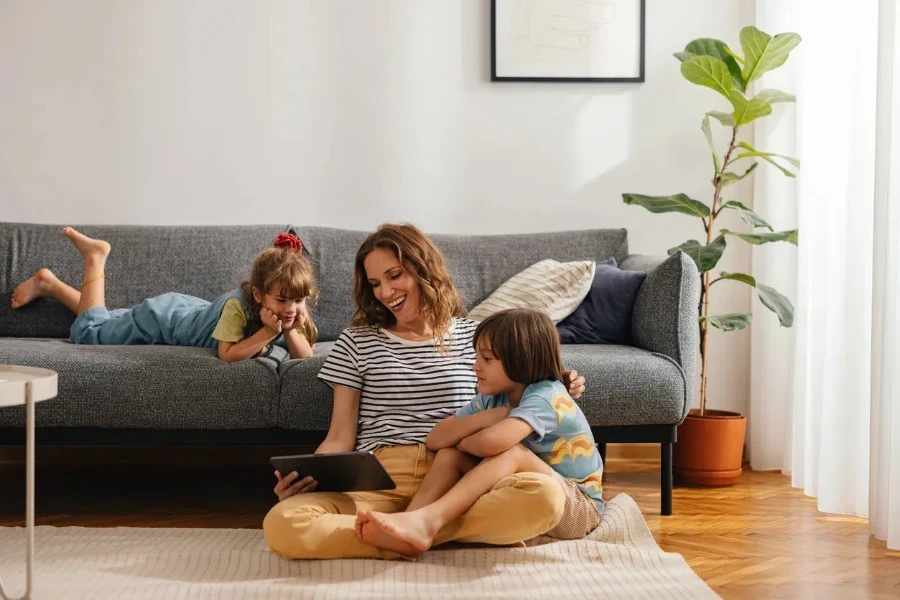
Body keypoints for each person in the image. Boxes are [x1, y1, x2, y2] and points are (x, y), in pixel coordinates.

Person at [264, 223, 587, 559]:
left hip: (462, 477)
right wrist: (312, 476)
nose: (386, 292)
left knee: (545, 497)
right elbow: (340, 436)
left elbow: (521, 394)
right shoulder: (356, 340)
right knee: (285, 522)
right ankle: (443, 533)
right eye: (375, 283)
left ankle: (414, 529)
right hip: (382, 477)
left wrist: (558, 382)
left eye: (394, 275)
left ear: (423, 269)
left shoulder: (478, 338)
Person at [355, 308, 603, 557]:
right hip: (525, 489)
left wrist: (465, 441)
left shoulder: (547, 395)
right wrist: (494, 415)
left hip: (576, 507)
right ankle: (410, 522)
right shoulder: (492, 400)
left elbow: (492, 444)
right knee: (449, 455)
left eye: (487, 359)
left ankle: (431, 522)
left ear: (521, 359)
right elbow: (436, 439)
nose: (475, 367)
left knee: (512, 453)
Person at [10, 228, 317, 362]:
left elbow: (304, 358)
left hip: (186, 310)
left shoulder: (288, 308)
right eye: (283, 300)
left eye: (298, 300)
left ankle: (49, 284)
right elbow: (227, 355)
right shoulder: (238, 307)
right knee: (91, 333)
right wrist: (266, 333)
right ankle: (95, 258)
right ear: (259, 294)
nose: (291, 308)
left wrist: (289, 330)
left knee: (106, 321)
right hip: (163, 320)